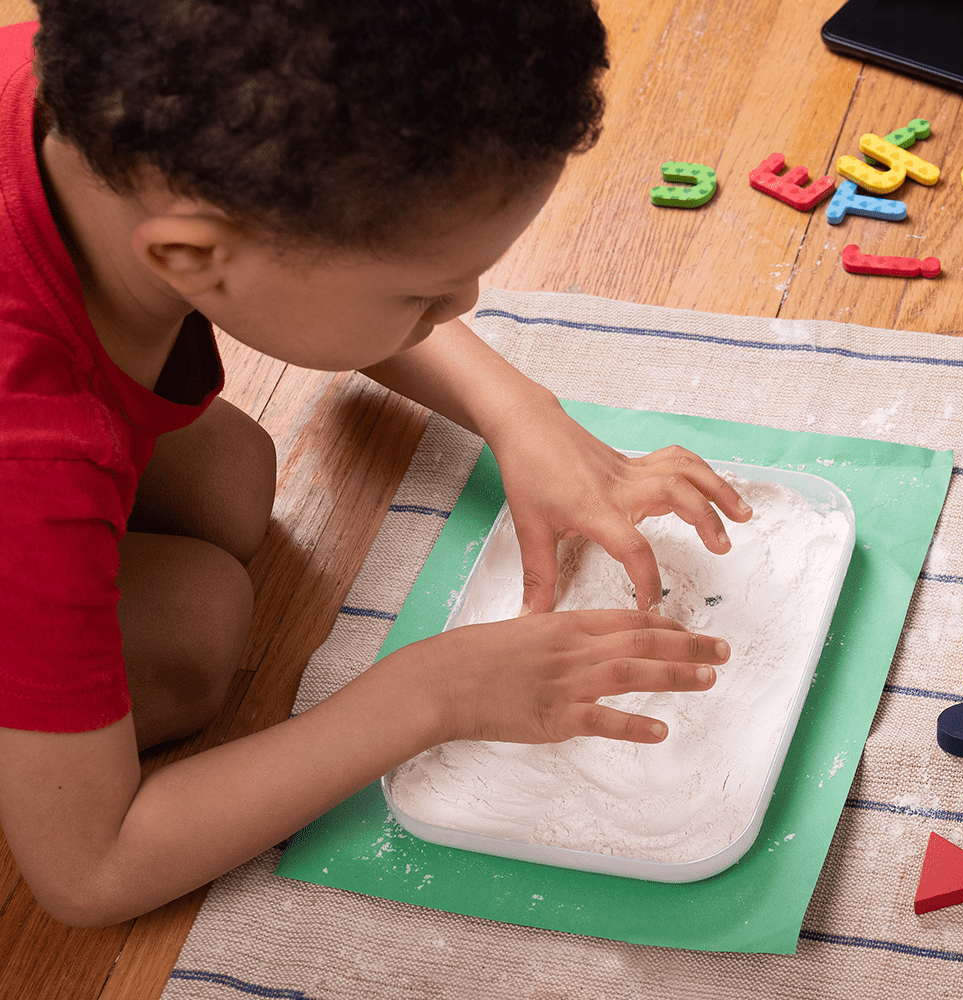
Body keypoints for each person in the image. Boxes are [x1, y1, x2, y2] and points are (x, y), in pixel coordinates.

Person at [0, 0, 749, 927]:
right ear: (192, 254)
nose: (466, 302)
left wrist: (516, 410)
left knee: (232, 480)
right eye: (426, 293)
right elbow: (91, 872)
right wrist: (429, 693)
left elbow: (301, 265)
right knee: (196, 631)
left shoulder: (111, 94)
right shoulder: (32, 454)